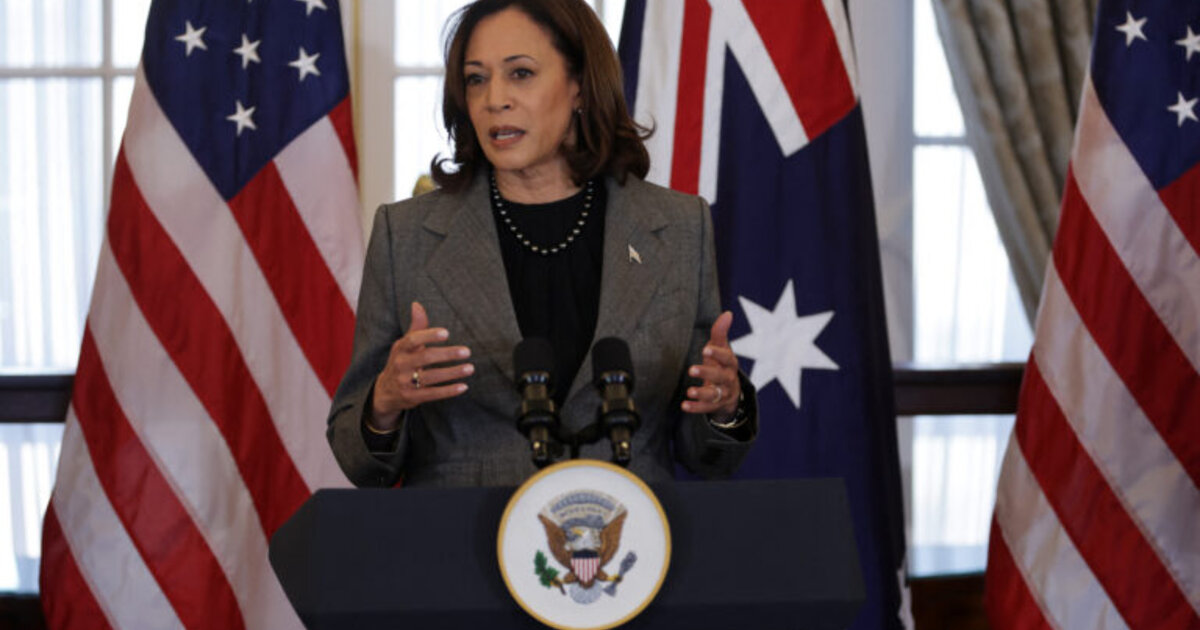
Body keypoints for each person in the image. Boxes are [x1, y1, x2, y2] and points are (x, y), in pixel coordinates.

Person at [327, 0, 757, 488]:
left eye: (521, 73)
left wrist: (724, 407)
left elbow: (709, 456)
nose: (494, 99)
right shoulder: (404, 236)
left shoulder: (678, 227)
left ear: (580, 86)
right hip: (464, 532)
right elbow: (357, 459)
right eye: (476, 79)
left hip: (627, 529)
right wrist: (384, 402)